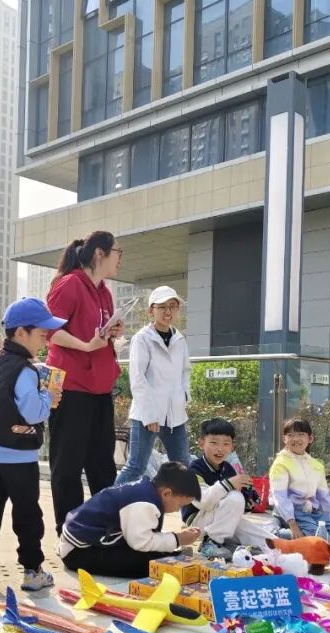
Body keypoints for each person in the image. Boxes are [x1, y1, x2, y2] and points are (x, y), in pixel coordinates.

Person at [0, 298, 65, 592]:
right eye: (42, 334)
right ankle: (32, 572)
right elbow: (33, 413)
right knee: (27, 517)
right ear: (21, 333)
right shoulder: (25, 370)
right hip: (20, 459)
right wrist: (49, 397)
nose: (46, 339)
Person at [45, 230, 125, 536]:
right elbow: (51, 331)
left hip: (100, 388)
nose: (120, 259)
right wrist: (86, 345)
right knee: (67, 464)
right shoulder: (69, 284)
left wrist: (112, 332)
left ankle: (104, 527)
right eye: (118, 252)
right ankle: (69, 531)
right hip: (71, 387)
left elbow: (97, 332)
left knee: (102, 464)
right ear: (100, 253)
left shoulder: (104, 291)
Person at [58, 462, 202, 579]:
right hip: (79, 552)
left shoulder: (145, 490)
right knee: (146, 564)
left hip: (84, 543)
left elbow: (140, 532)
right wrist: (177, 539)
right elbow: (140, 542)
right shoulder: (144, 504)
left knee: (152, 554)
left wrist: (174, 538)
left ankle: (173, 554)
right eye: (180, 505)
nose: (177, 510)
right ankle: (174, 556)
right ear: (167, 493)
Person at [114, 286, 191, 486]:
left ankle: (183, 506)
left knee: (182, 465)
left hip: (175, 413)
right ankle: (108, 502)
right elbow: (137, 377)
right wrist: (149, 414)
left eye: (172, 306)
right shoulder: (142, 338)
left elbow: (185, 371)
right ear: (151, 311)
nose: (168, 311)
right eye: (162, 307)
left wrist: (184, 396)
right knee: (136, 466)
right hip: (148, 413)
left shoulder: (179, 338)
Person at [185, 418, 277, 559]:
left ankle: (281, 544)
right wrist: (229, 484)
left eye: (226, 444)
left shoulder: (228, 468)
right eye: (214, 443)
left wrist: (249, 500)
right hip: (198, 521)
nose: (220, 448)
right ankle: (211, 543)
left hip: (219, 520)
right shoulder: (193, 469)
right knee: (235, 498)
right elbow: (202, 502)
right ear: (201, 443)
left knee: (262, 538)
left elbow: (233, 507)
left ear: (232, 446)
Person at [269, 418, 330, 547]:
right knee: (320, 540)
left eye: (301, 434)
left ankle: (308, 532)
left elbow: (324, 496)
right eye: (290, 435)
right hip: (291, 512)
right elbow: (279, 496)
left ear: (310, 438)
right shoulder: (280, 464)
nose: (295, 439)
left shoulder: (316, 465)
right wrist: (292, 523)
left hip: (312, 512)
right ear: (284, 439)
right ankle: (272, 532)